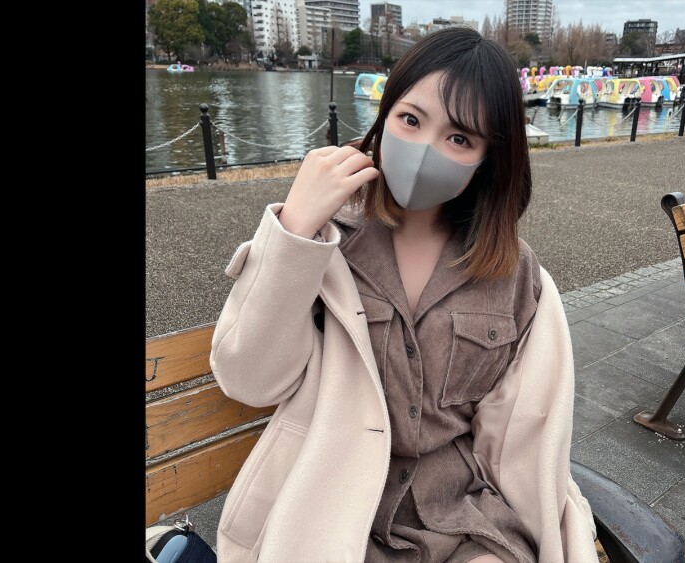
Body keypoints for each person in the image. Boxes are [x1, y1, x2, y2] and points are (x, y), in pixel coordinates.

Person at [209, 26, 599, 563]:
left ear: (489, 158)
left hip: (464, 518)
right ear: (384, 114)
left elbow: (521, 438)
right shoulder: (324, 243)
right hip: (331, 513)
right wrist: (294, 228)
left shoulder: (513, 274)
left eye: (459, 139)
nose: (424, 150)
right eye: (411, 120)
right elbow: (248, 379)